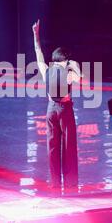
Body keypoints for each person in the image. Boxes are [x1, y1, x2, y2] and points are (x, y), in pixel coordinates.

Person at [32, 19, 82, 192]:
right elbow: (80, 78)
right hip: (64, 110)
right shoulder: (68, 72)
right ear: (66, 59)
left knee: (52, 147)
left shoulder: (47, 70)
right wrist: (74, 65)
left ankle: (55, 183)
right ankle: (71, 183)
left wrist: (36, 35)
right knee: (69, 147)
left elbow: (38, 52)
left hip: (50, 110)